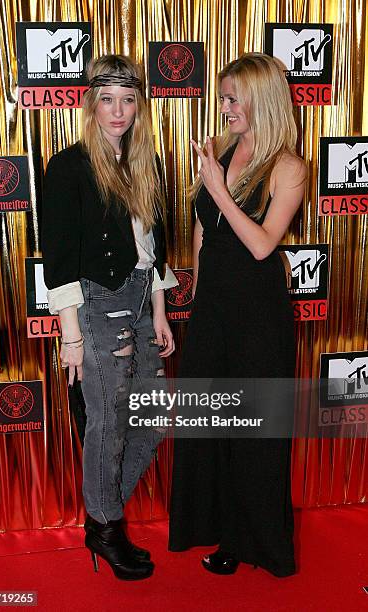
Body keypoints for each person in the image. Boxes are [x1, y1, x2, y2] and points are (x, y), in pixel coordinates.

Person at [169, 52, 306, 577]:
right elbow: (205, 234)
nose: (224, 107)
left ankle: (264, 546)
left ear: (261, 101)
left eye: (233, 99)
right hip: (216, 310)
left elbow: (262, 245)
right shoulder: (222, 152)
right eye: (222, 97)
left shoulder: (289, 167)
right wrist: (201, 302)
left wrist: (218, 190)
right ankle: (226, 536)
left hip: (257, 314)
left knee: (256, 431)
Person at [42, 54, 177, 581]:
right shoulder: (70, 165)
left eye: (127, 100)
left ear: (138, 105)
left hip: (143, 299)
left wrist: (161, 310)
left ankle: (102, 517)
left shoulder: (146, 162)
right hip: (97, 305)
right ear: (90, 104)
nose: (118, 111)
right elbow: (59, 257)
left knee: (152, 416)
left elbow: (153, 246)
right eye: (107, 100)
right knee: (107, 424)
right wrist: (70, 336)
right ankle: (106, 523)